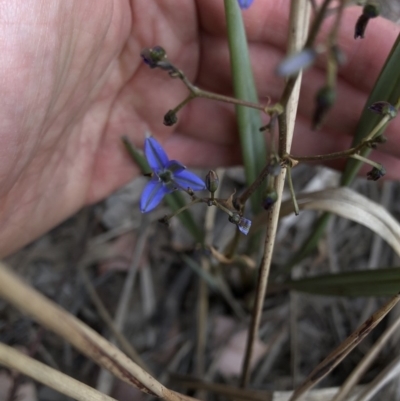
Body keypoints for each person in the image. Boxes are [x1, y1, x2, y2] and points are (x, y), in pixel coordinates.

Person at [0, 0, 398, 257]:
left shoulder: (170, 168)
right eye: (165, 175)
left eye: (164, 174)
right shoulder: (172, 170)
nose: (161, 176)